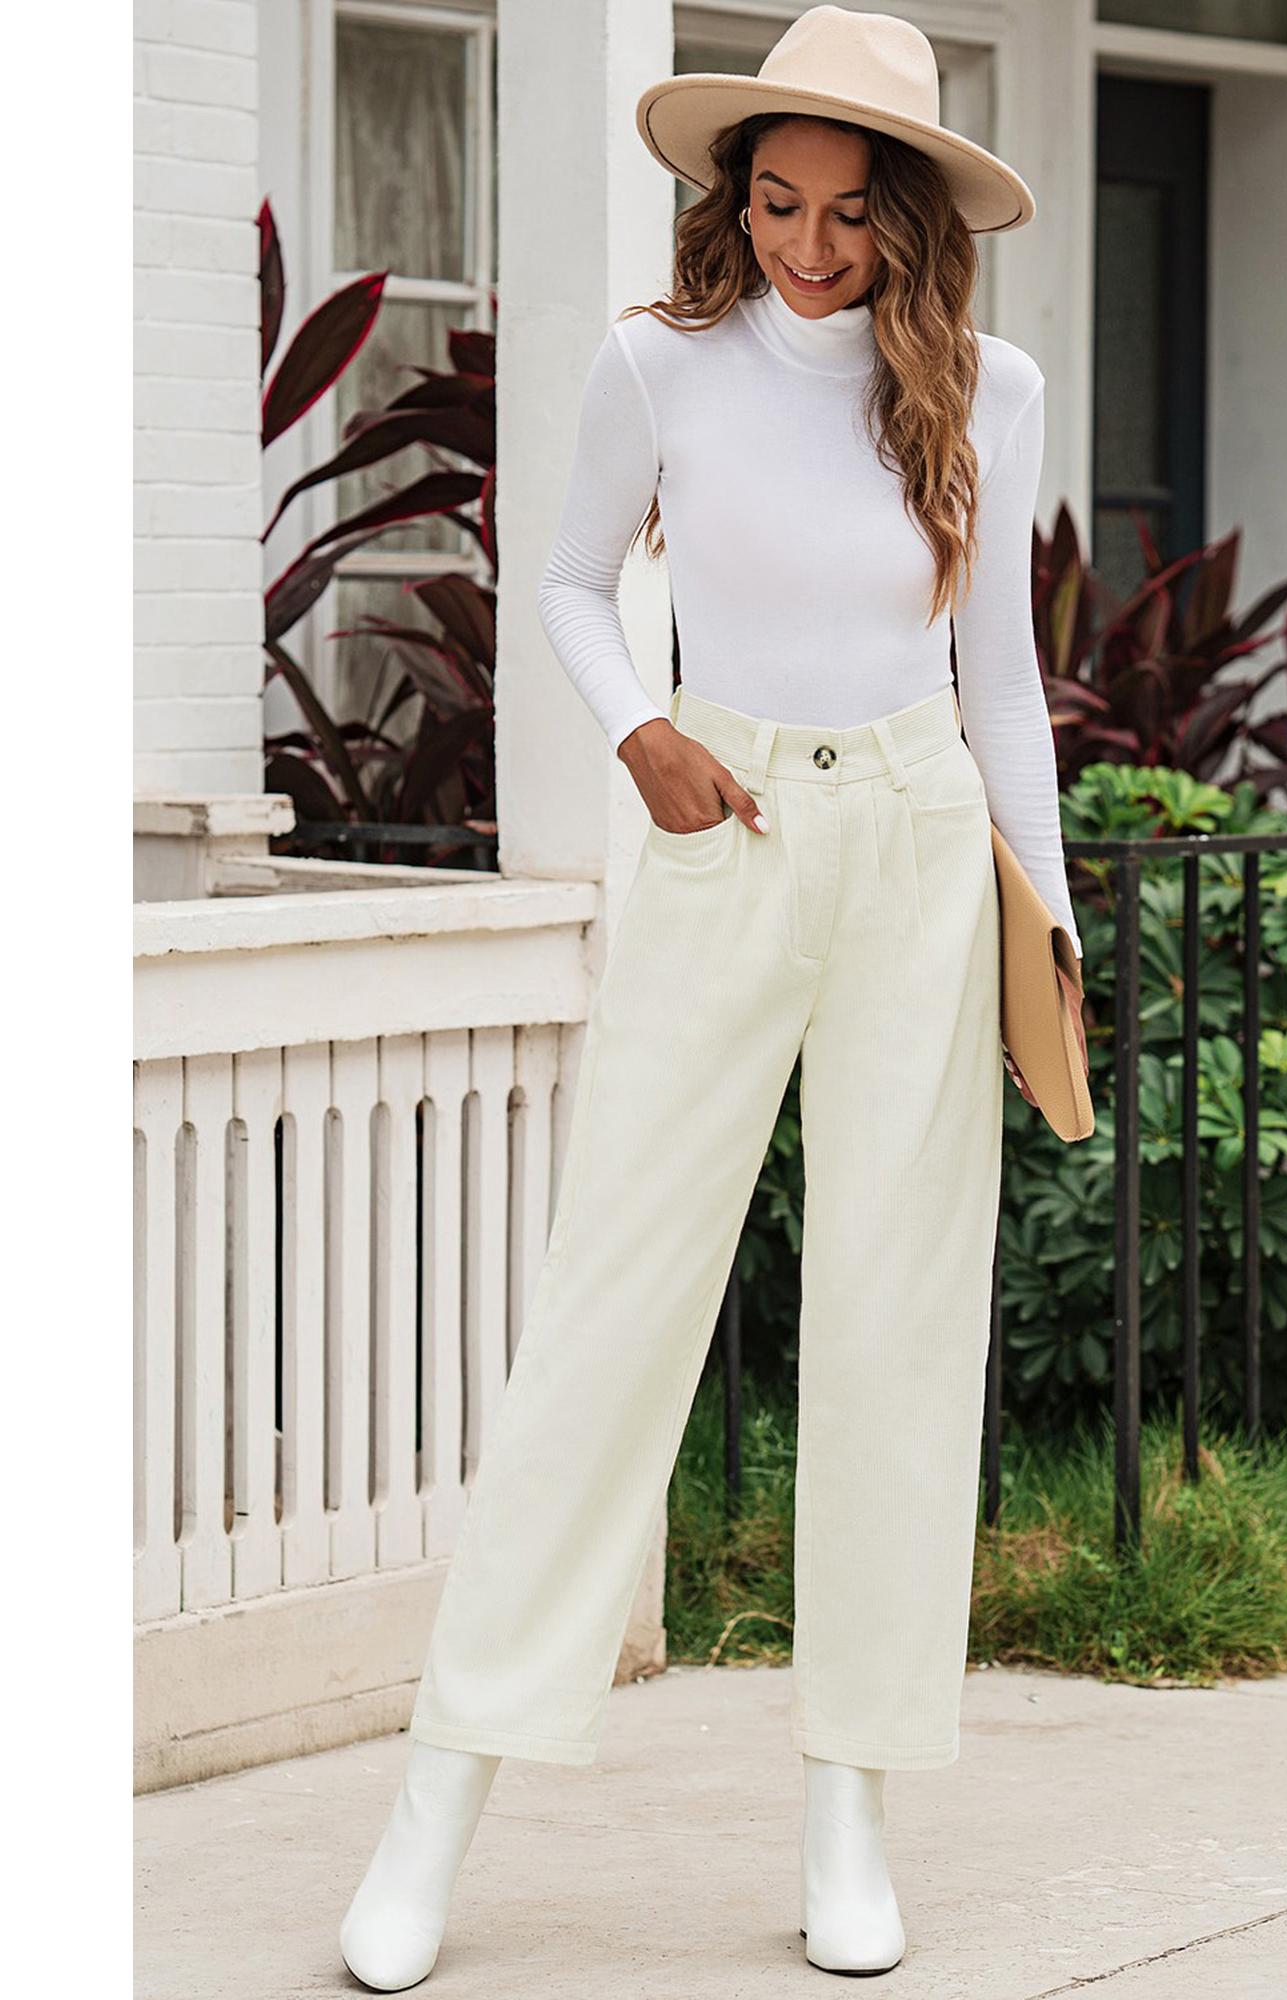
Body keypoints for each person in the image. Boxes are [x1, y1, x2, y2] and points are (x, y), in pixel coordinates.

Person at [339, 7, 1084, 1987]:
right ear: (731, 199)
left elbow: (1001, 680)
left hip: (920, 842)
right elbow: (569, 582)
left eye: (847, 213)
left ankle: (848, 1812)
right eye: (775, 204)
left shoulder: (991, 393)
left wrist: (1048, 922)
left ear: (909, 217)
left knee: (895, 1330)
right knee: (610, 1308)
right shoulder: (656, 365)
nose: (808, 248)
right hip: (726, 823)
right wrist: (643, 734)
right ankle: (435, 1800)